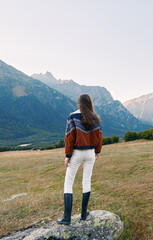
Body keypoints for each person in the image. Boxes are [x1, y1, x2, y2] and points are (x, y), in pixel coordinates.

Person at [57, 94, 103, 225]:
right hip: (90, 153)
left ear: (79, 103)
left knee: (68, 182)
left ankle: (67, 218)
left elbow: (69, 137)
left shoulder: (72, 116)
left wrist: (68, 155)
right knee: (86, 181)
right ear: (90, 103)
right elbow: (99, 137)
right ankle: (84, 214)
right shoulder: (96, 118)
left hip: (77, 153)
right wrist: (97, 151)